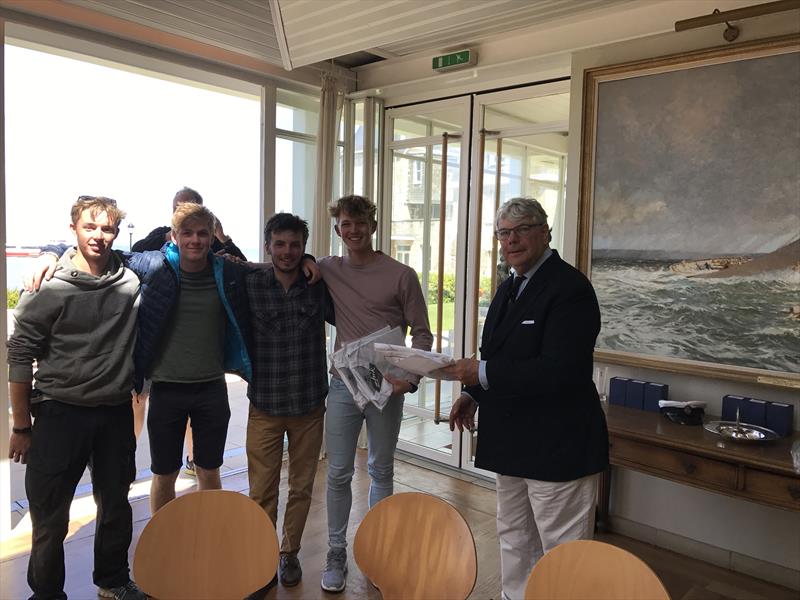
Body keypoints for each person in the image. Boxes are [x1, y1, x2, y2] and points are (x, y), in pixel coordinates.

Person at [442, 197, 609, 600]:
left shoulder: (570, 289)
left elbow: (560, 370)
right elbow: (500, 355)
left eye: (522, 229)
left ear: (544, 232)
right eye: (503, 232)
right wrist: (473, 393)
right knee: (514, 536)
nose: (511, 240)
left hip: (558, 445)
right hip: (511, 440)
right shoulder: (510, 285)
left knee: (562, 549)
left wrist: (479, 373)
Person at [7, 196, 146, 600]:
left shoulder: (131, 277)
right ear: (74, 230)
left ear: (116, 233)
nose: (98, 236)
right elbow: (19, 353)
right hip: (58, 413)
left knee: (116, 506)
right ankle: (47, 593)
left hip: (115, 413)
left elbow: (180, 245)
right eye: (90, 227)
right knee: (50, 515)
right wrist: (21, 426)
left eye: (107, 229)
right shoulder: (48, 285)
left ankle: (113, 582)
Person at [318, 195, 433, 593]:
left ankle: (379, 548)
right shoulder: (327, 268)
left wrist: (409, 379)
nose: (353, 230)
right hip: (343, 385)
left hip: (387, 386)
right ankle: (336, 551)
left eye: (361, 223)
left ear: (373, 225)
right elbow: (282, 267)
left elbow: (422, 333)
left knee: (381, 470)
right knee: (338, 472)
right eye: (346, 224)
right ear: (337, 230)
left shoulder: (402, 274)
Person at [244, 213, 334, 596]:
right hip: (264, 404)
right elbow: (218, 258)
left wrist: (312, 260)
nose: (287, 252)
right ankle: (261, 557)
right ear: (268, 246)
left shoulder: (319, 285)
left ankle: (289, 552)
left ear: (303, 247)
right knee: (261, 489)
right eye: (279, 244)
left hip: (309, 404)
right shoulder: (250, 284)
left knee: (301, 486)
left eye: (295, 245)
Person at [131, 186, 246, 475]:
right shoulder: (155, 260)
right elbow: (115, 256)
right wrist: (52, 252)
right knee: (163, 474)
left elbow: (255, 268)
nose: (195, 239)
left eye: (202, 232)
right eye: (187, 232)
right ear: (174, 231)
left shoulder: (223, 268)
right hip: (165, 385)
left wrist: (308, 261)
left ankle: (197, 476)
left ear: (210, 232)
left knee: (209, 472)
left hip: (211, 387)